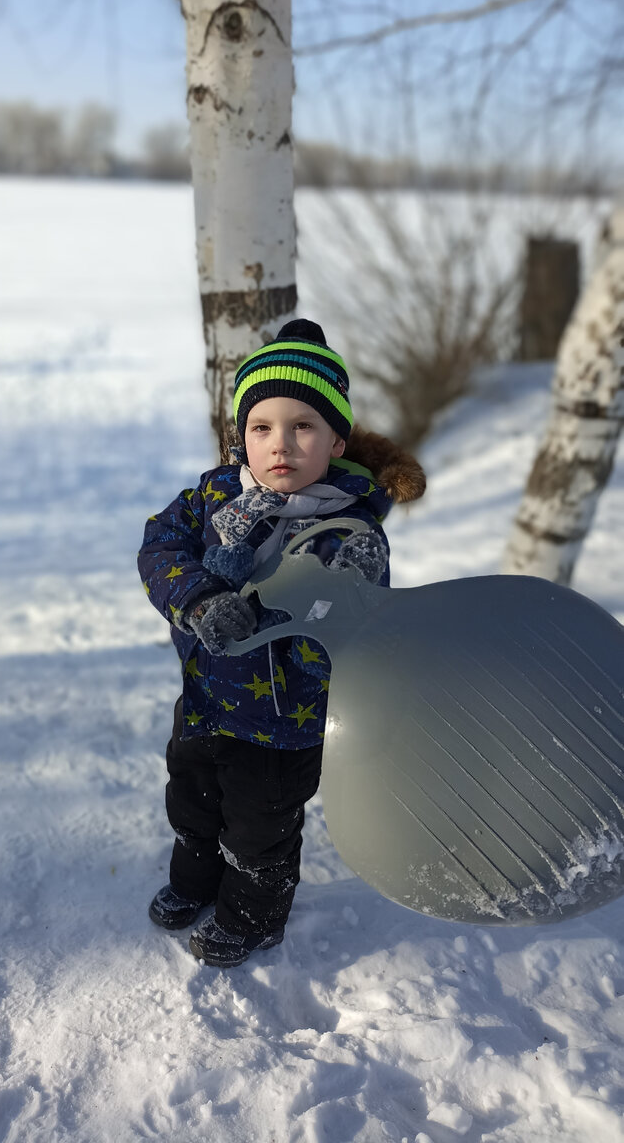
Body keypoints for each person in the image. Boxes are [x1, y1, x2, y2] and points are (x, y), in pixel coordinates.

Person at [137, 318, 426, 967]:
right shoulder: (215, 498)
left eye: (304, 427)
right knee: (192, 805)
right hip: (207, 701)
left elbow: (349, 628)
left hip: (283, 723)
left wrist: (321, 600)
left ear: (337, 440)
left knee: (261, 833)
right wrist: (199, 599)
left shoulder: (349, 530)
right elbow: (160, 546)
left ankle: (252, 918)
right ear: (240, 435)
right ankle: (195, 883)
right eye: (262, 426)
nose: (281, 445)